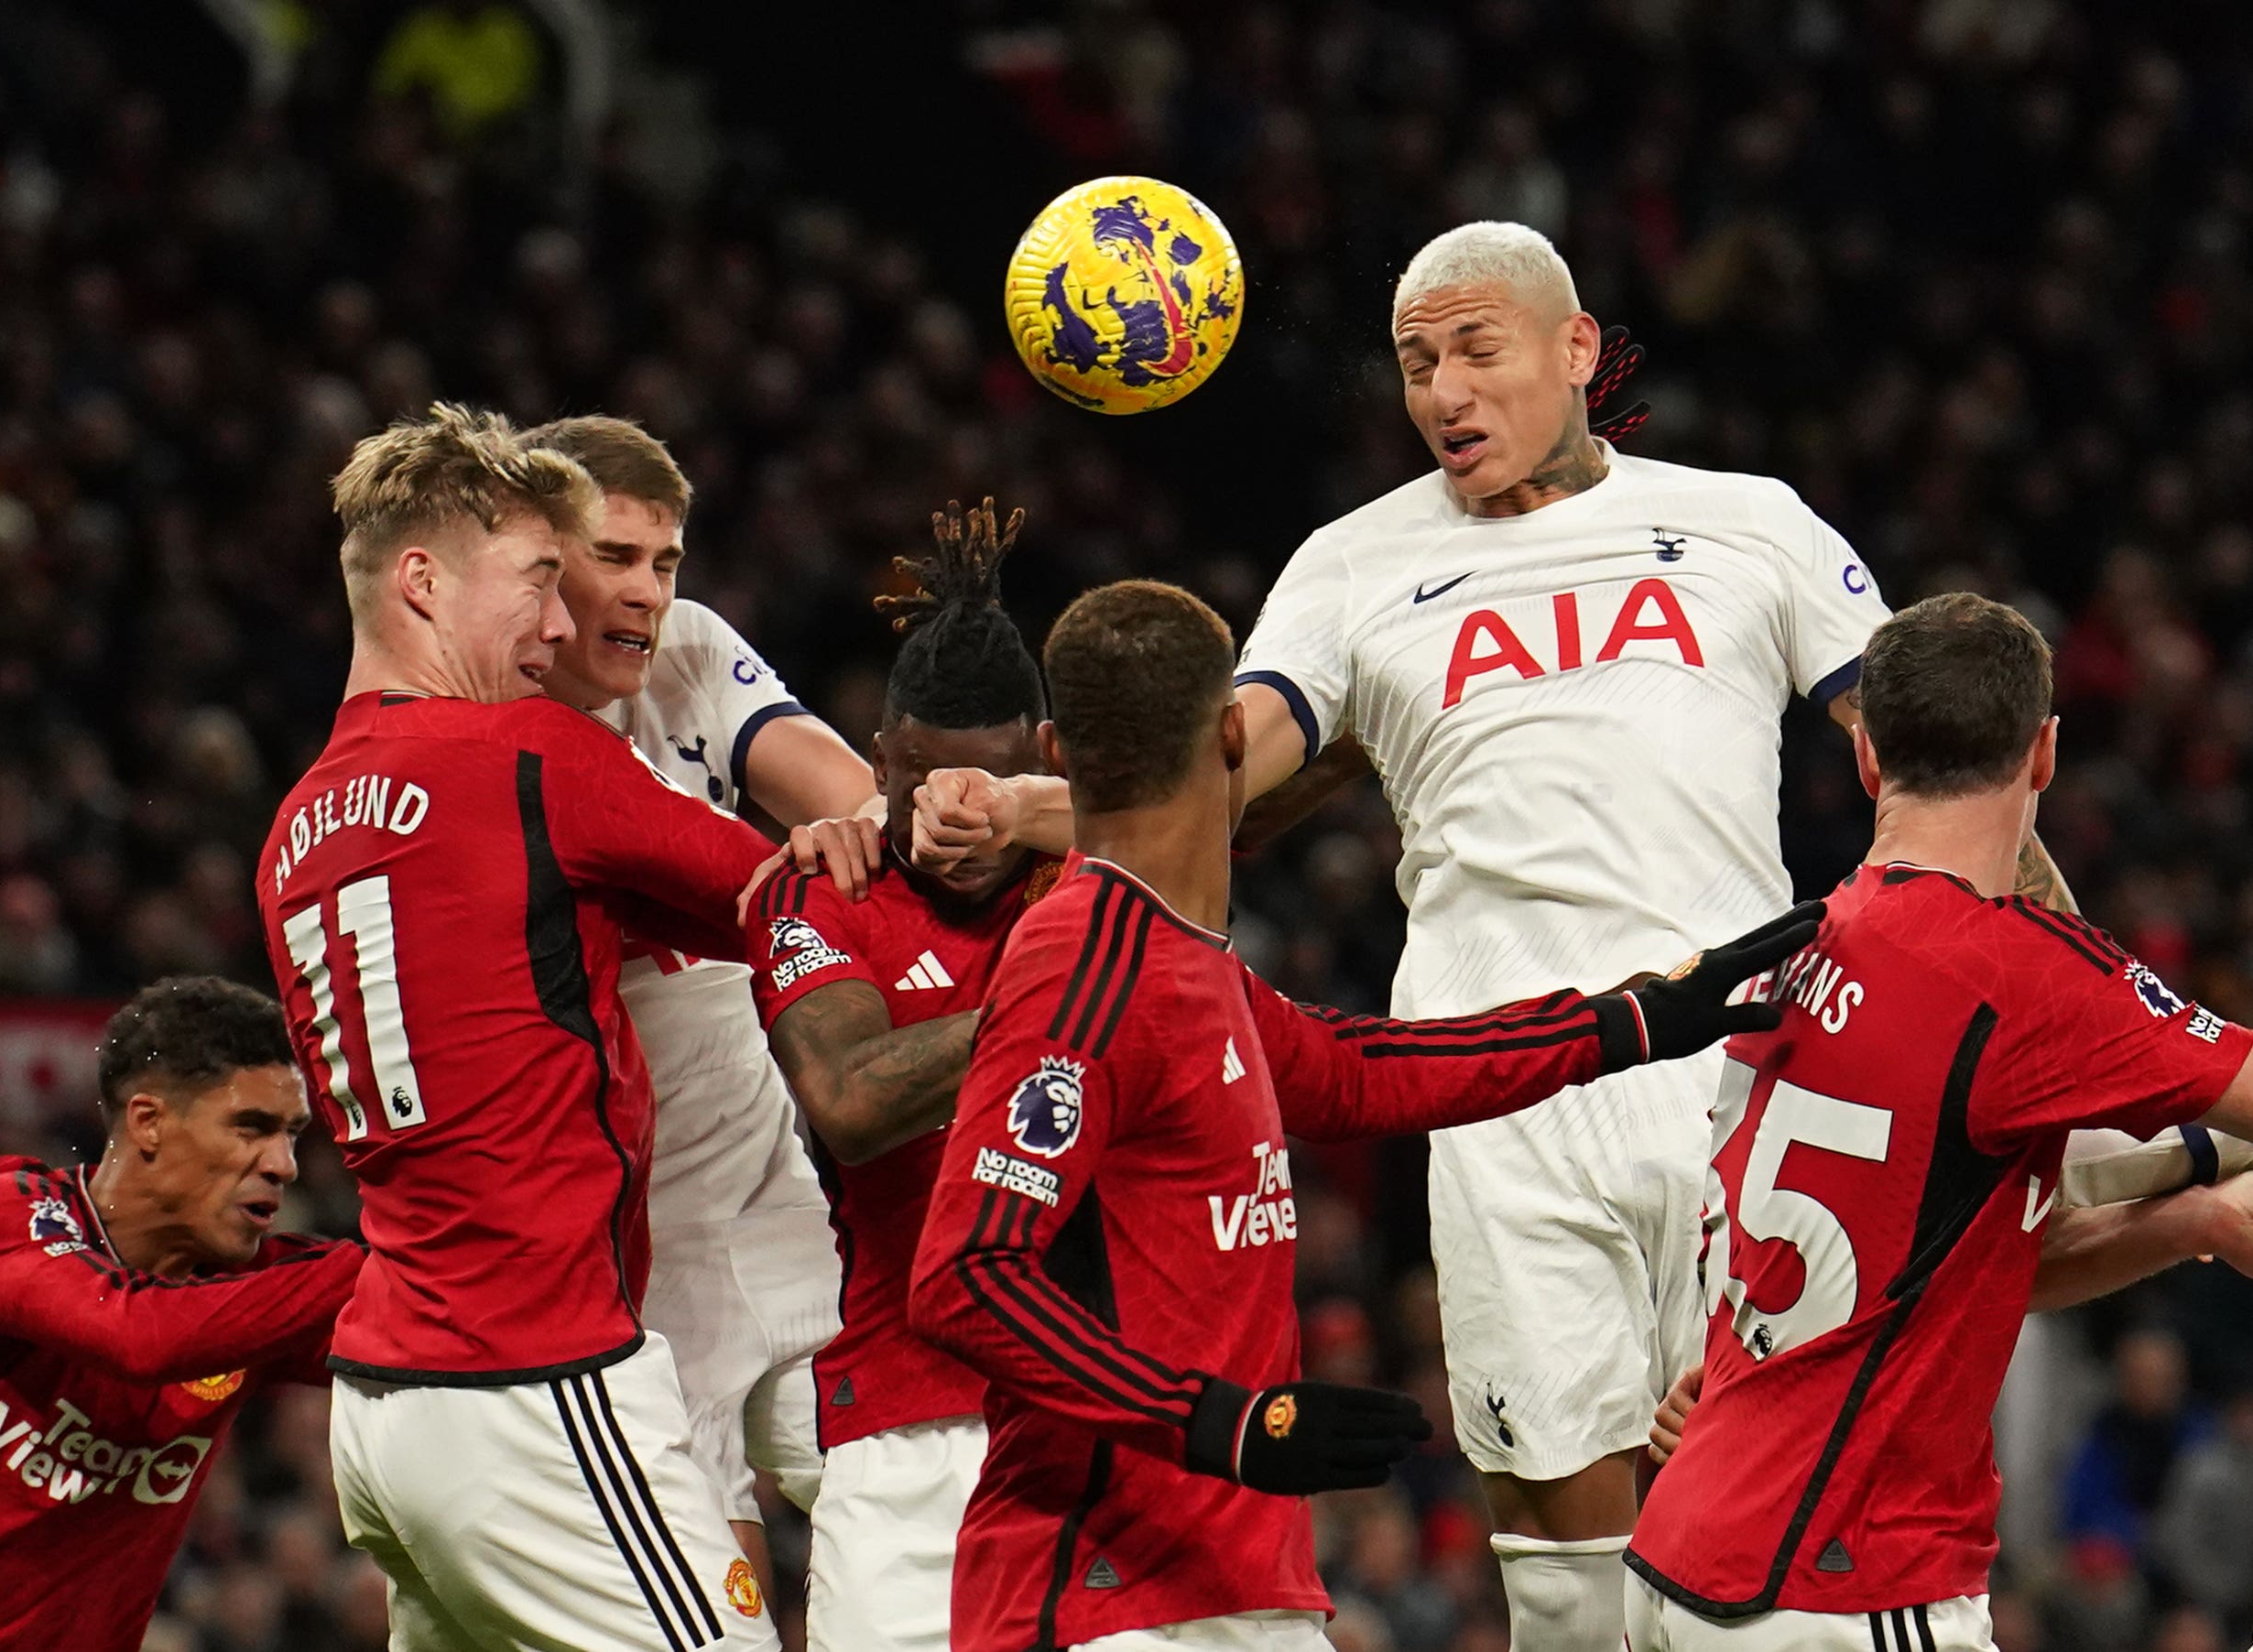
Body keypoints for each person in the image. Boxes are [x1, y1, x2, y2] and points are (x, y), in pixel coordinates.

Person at [908, 221, 2067, 1651]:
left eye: (1472, 350)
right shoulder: (1350, 563)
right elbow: (1206, 765)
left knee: (1758, 1536)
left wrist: (2080, 999)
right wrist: (1017, 800)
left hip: (1739, 1079)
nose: (1442, 392)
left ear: (1572, 350)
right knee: (1568, 1568)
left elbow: (1948, 777)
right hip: (1499, 1089)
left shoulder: (1746, 522)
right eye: (1412, 365)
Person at [909, 579, 1820, 1652]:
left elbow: (1354, 1068)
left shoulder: (1180, 960)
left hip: (1224, 1583)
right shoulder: (1086, 962)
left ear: (1055, 752)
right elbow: (965, 1276)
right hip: (1101, 1594)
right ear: (1236, 730)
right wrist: (1225, 1423)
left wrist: (1628, 1019)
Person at [1627, 592, 2253, 1652]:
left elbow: (1964, 1264)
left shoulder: (1800, 943)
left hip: (1683, 1556)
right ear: (2044, 753)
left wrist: (2197, 1223)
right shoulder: (2019, 977)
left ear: (1865, 756)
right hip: (1843, 1583)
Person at [256, 404, 782, 1652]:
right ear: (422, 582)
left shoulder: (292, 830)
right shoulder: (523, 754)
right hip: (534, 1386)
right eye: (540, 581)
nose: (561, 623)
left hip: (386, 1408)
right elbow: (787, 900)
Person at [526, 414, 864, 1591]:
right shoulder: (493, 738)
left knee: (891, 1480)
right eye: (613, 557)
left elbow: (849, 798)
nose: (646, 594)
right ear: (533, 560)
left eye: (663, 563)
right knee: (707, 1531)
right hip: (636, 1206)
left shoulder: (688, 650)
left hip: (771, 1158)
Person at [0, 976, 363, 1651]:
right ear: (149, 1123)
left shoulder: (252, 1290)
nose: (284, 1165)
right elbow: (139, 1335)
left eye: (291, 1135)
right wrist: (368, 1266)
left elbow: (447, 1327)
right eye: (251, 1129)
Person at [744, 499, 1061, 1652]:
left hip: (1108, 1418)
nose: (949, 815)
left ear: (1043, 762)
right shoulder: (819, 891)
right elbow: (853, 1100)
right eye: (921, 779)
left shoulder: (1105, 880)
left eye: (987, 786)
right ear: (881, 757)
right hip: (903, 1431)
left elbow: (1237, 796)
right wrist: (1065, 1000)